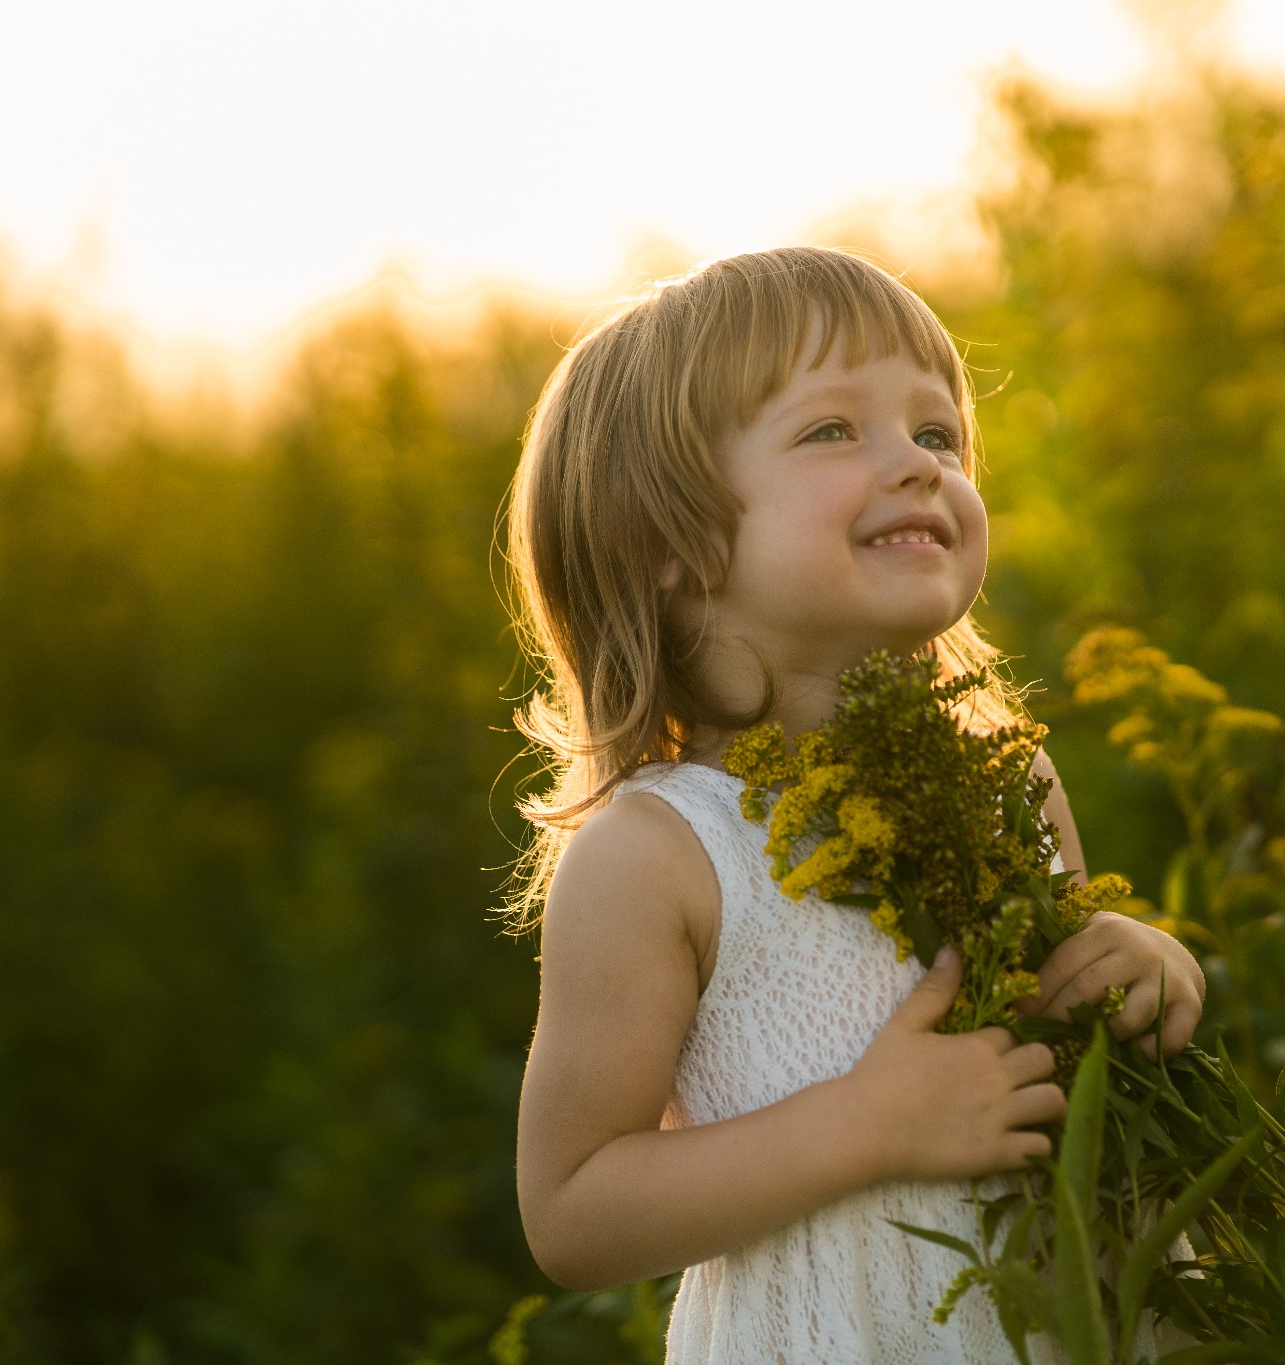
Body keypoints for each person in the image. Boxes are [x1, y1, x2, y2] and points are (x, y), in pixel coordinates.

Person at [509, 246, 1206, 1362]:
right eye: (833, 430)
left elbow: (1072, 1037)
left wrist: (1140, 970)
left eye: (938, 433)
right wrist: (865, 1127)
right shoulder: (658, 853)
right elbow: (573, 1211)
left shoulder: (1007, 778)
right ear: (667, 542)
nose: (918, 464)